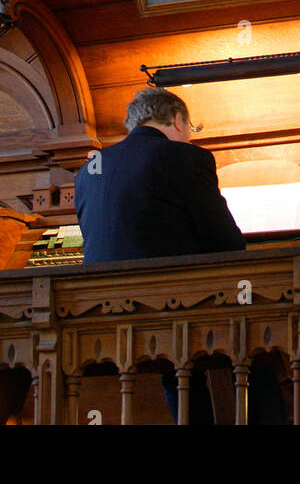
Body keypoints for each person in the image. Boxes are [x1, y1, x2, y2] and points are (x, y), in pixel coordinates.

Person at [75, 87, 246, 424]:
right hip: (167, 312)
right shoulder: (185, 157)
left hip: (97, 316)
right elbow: (226, 243)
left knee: (182, 354)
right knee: (261, 342)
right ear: (179, 120)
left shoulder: (88, 171)